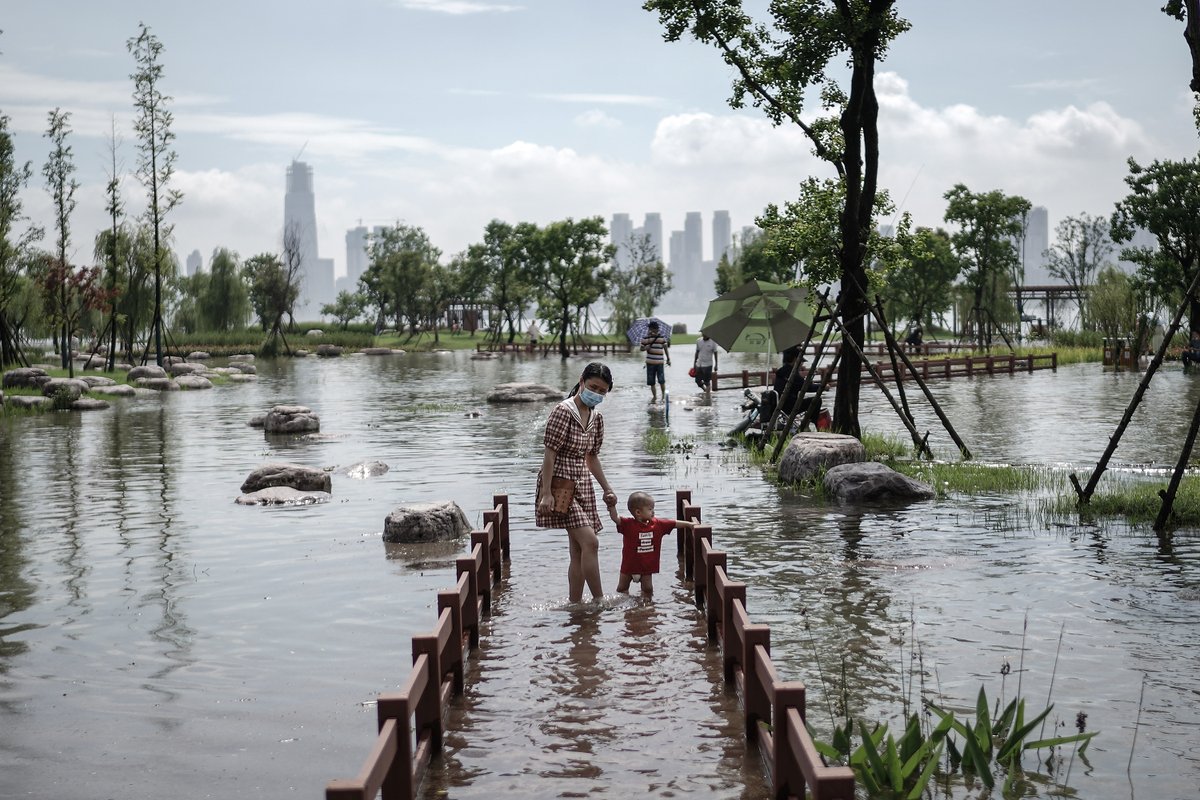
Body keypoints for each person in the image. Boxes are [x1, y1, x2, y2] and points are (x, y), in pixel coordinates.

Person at [535, 362, 618, 602]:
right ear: (581, 381)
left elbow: (591, 457)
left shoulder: (596, 417)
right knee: (591, 542)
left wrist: (607, 487)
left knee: (579, 550)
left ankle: (575, 605)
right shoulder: (563, 411)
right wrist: (546, 493)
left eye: (603, 391)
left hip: (582, 483)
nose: (597, 394)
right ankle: (599, 601)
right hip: (560, 484)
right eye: (593, 387)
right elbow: (549, 454)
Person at [607, 491, 695, 596]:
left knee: (648, 589)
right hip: (629, 567)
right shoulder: (628, 525)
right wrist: (611, 506)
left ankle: (646, 608)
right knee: (622, 588)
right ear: (638, 512)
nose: (653, 512)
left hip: (646, 568)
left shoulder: (658, 525)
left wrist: (689, 525)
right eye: (650, 509)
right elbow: (615, 518)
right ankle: (624, 606)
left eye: (653, 509)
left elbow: (674, 523)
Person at [640, 320, 670, 403]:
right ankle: (655, 397)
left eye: (656, 329)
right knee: (651, 381)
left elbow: (665, 348)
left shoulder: (661, 337)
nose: (655, 330)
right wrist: (646, 348)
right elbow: (641, 348)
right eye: (653, 329)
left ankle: (663, 396)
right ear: (650, 329)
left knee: (661, 380)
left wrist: (668, 359)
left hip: (660, 362)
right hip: (650, 363)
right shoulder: (645, 338)